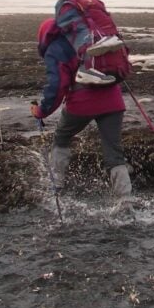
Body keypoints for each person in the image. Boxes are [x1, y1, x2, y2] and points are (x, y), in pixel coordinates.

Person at [30, 17, 132, 197]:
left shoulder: (56, 48)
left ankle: (56, 186)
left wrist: (41, 111)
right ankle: (125, 201)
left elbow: (57, 87)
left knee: (62, 137)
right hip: (113, 101)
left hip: (81, 104)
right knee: (114, 152)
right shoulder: (92, 39)